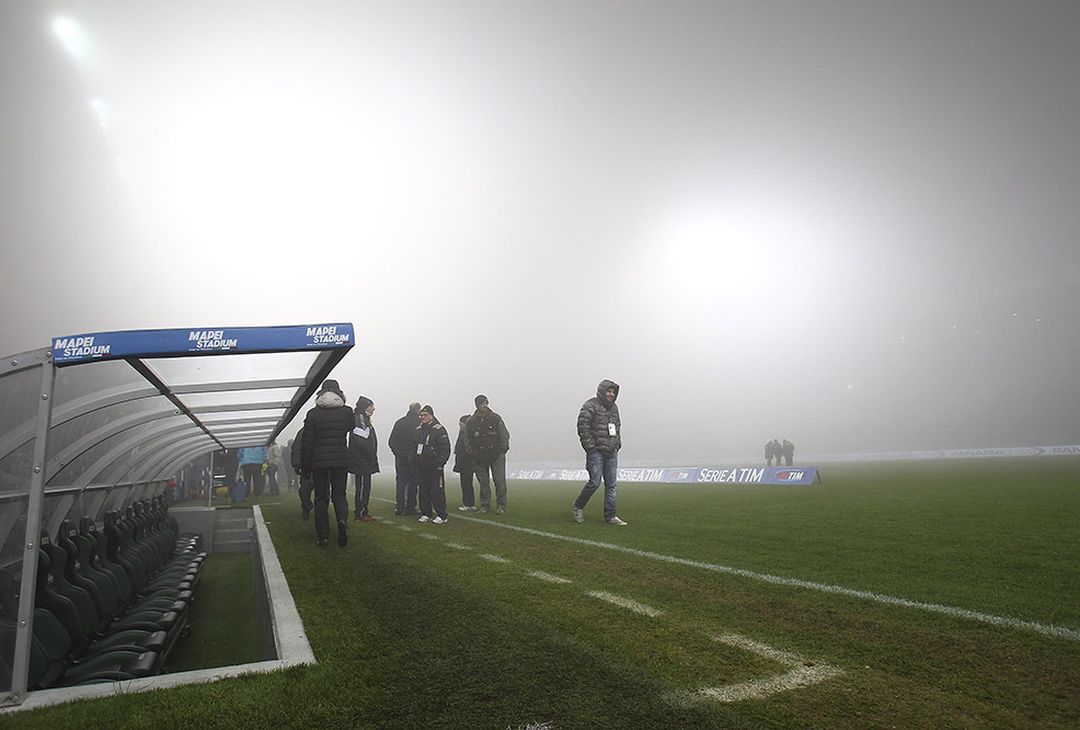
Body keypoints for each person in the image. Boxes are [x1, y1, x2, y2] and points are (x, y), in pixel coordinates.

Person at [300, 379, 356, 547]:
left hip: (319, 461)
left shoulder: (313, 414)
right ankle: (341, 521)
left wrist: (305, 466)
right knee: (339, 495)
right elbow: (350, 428)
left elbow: (307, 443)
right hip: (340, 458)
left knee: (321, 499)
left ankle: (323, 536)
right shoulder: (347, 412)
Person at [572, 379, 626, 526]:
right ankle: (578, 506)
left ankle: (611, 516)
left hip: (611, 452)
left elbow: (618, 426)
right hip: (596, 452)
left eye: (614, 392)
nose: (611, 394)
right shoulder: (590, 405)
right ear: (602, 391)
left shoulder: (614, 408)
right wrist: (591, 447)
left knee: (612, 485)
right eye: (609, 391)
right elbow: (583, 427)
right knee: (595, 483)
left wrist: (617, 444)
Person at [465, 394, 510, 514]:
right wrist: (471, 452)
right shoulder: (471, 421)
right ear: (477, 405)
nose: (484, 406)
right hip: (479, 456)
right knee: (483, 483)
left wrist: (502, 450)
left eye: (485, 403)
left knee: (499, 481)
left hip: (496, 455)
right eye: (481, 404)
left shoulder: (496, 418)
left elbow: (504, 435)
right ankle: (485, 505)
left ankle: (501, 505)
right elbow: (466, 438)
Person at [416, 404, 451, 524]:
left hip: (435, 465)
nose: (422, 417)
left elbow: (445, 448)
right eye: (421, 415)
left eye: (424, 415)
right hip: (422, 465)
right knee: (423, 490)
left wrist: (440, 462)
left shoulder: (439, 429)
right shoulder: (419, 429)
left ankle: (442, 515)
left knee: (437, 490)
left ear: (431, 415)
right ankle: (426, 513)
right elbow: (414, 446)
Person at [348, 395, 380, 522]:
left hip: (364, 460)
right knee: (362, 487)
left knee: (365, 487)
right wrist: (370, 456)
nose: (374, 409)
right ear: (366, 407)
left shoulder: (364, 418)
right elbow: (363, 440)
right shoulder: (360, 419)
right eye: (372, 406)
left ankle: (364, 511)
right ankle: (360, 513)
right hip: (362, 461)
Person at [388, 402, 422, 515]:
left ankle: (400, 507)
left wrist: (398, 453)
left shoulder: (400, 422)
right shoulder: (420, 423)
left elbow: (391, 441)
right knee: (413, 483)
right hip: (414, 458)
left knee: (401, 483)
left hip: (401, 458)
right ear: (418, 410)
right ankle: (411, 507)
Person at [453, 414, 477, 512]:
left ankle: (469, 504)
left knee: (466, 483)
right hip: (464, 462)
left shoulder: (465, 432)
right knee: (466, 483)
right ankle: (469, 503)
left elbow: (463, 448)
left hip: (466, 462)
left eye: (460, 423)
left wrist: (462, 457)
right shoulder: (463, 432)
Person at [291, 429, 313, 519]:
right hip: (308, 466)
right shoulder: (303, 432)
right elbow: (297, 448)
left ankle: (312, 509)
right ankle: (306, 507)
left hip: (319, 465)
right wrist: (296, 464)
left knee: (321, 491)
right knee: (304, 490)